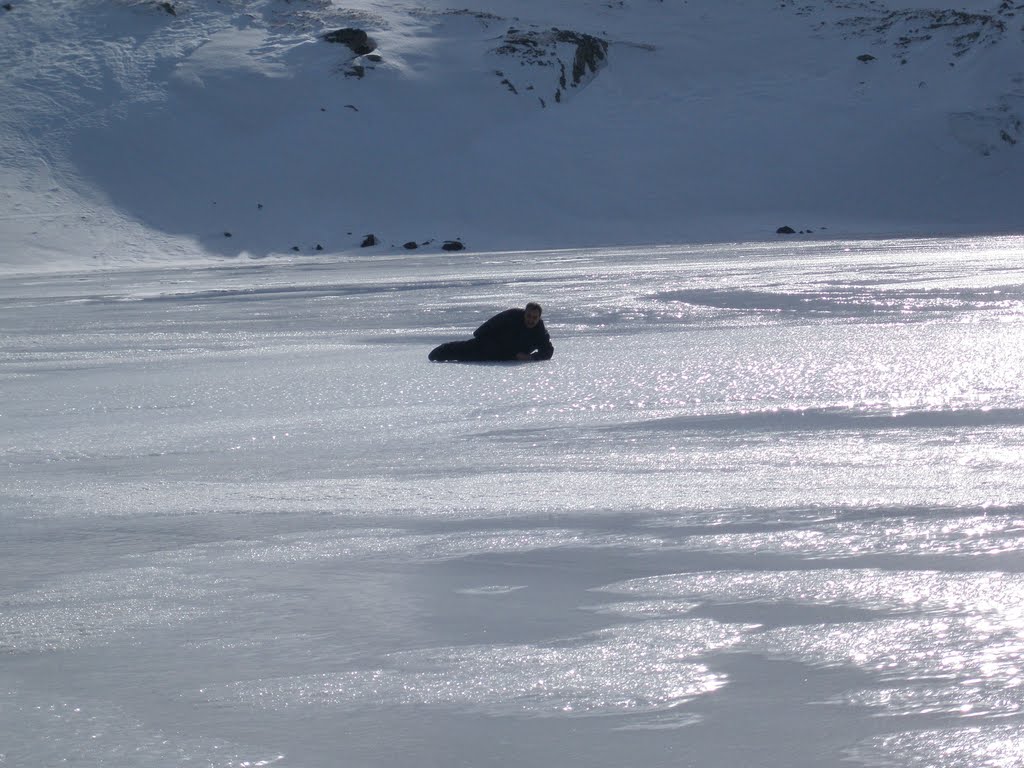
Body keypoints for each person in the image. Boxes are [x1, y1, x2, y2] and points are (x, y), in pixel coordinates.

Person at [429, 302, 554, 362]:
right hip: (489, 345)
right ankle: (439, 353)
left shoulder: (539, 331)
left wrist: (531, 357)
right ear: (524, 314)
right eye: (529, 316)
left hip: (504, 356)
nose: (531, 320)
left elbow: (548, 351)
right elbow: (489, 325)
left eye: (534, 317)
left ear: (539, 318)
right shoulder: (512, 316)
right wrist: (482, 339)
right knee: (460, 352)